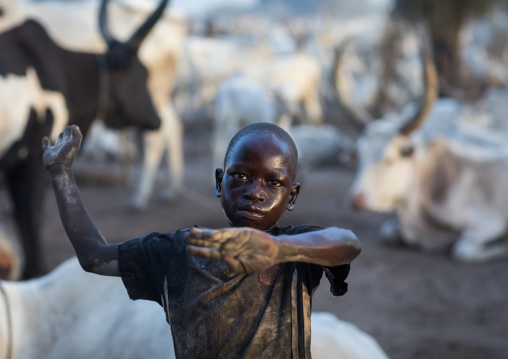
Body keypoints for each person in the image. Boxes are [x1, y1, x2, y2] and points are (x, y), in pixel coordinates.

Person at [42, 122, 361, 359]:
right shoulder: (175, 252)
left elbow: (347, 243)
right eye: (241, 176)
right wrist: (60, 174)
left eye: (273, 182)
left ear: (291, 197)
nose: (255, 192)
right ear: (220, 182)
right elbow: (93, 255)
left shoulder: (297, 250)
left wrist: (279, 249)